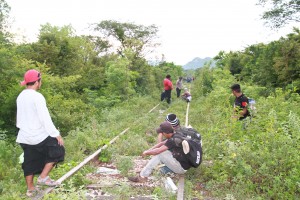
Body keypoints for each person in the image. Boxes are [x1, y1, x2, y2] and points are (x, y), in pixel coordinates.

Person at [16, 69, 65, 197]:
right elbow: (45, 118)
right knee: (58, 149)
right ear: (38, 82)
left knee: (30, 160)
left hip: (24, 136)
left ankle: (30, 189)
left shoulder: (21, 96)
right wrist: (56, 134)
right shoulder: (37, 96)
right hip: (38, 135)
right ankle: (43, 177)